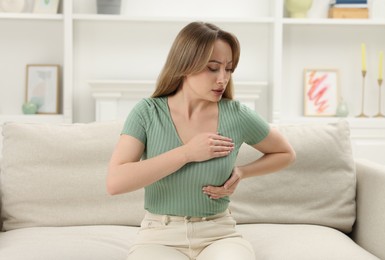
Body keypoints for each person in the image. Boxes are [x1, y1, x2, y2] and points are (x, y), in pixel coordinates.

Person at [107, 21, 295, 260]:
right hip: (159, 237)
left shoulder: (236, 114)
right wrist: (187, 153)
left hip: (219, 234)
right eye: (213, 68)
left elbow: (285, 153)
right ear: (185, 65)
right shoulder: (147, 112)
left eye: (229, 69)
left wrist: (243, 172)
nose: (223, 78)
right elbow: (115, 182)